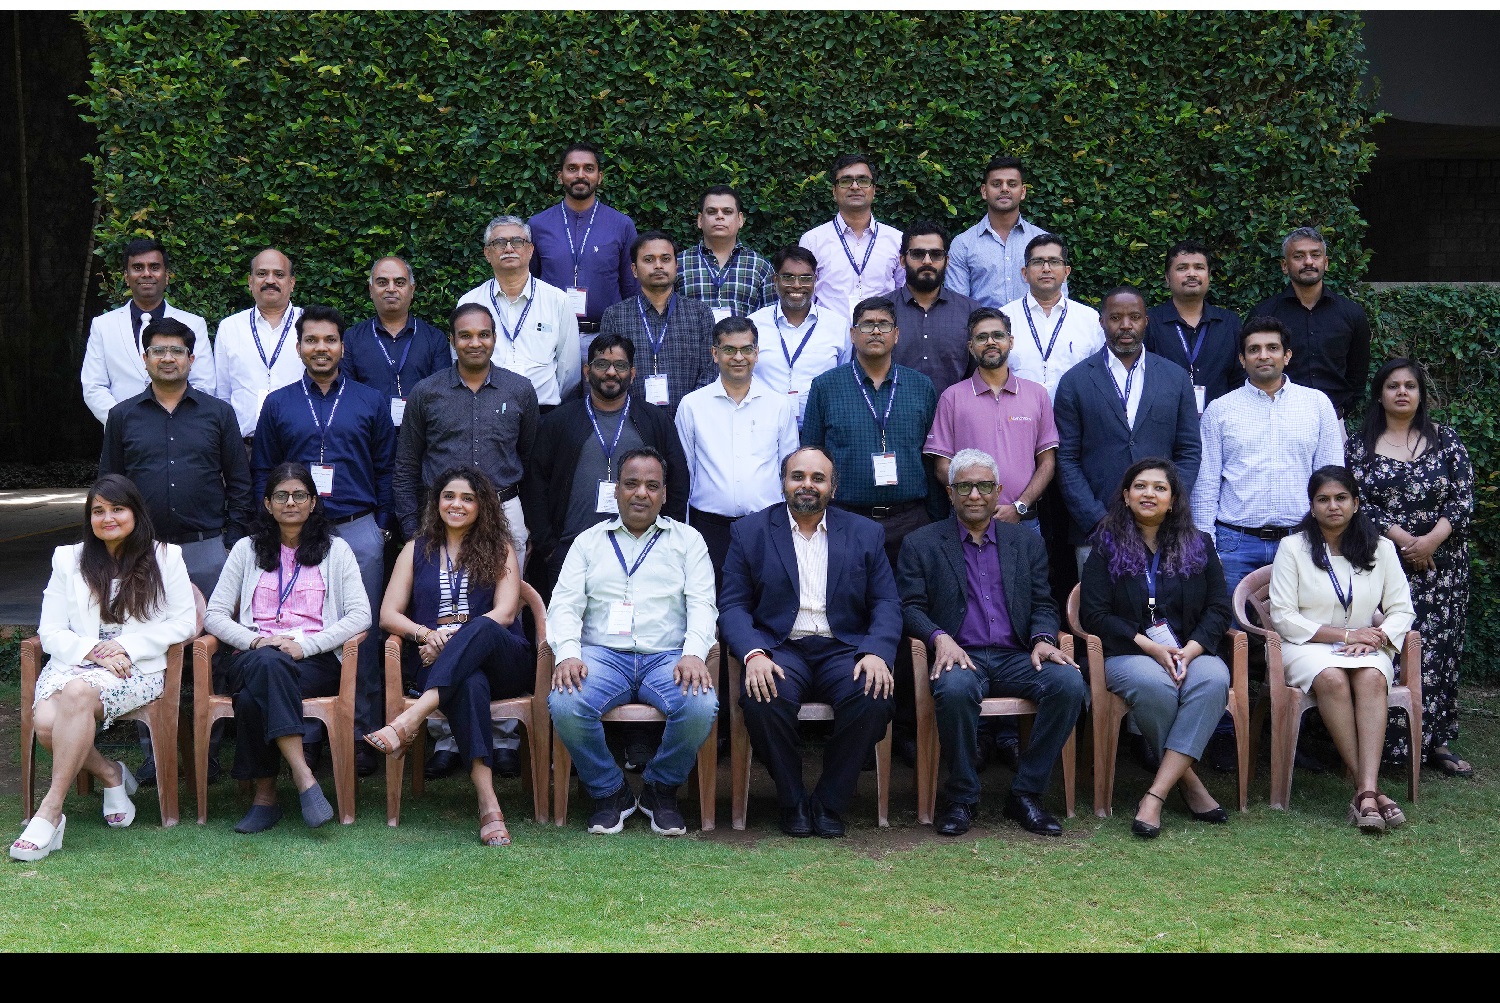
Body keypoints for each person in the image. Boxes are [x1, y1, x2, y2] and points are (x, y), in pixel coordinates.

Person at [898, 449, 1085, 837]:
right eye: (964, 486)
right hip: (959, 656)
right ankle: (962, 797)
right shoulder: (922, 543)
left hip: (1017, 655)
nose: (974, 495)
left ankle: (1026, 793)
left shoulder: (1025, 542)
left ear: (998, 491)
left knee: (1068, 683)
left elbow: (1043, 602)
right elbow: (909, 606)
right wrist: (938, 637)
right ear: (949, 493)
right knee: (955, 689)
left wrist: (1043, 639)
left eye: (984, 486)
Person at [99, 316, 253, 786]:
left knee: (218, 650)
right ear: (144, 358)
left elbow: (240, 481)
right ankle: (155, 753)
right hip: (142, 554)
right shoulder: (123, 416)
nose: (168, 358)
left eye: (176, 351)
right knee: (145, 648)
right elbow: (110, 486)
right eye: (158, 350)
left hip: (208, 549)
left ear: (191, 358)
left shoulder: (217, 413)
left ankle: (212, 751)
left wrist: (231, 539)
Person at [9, 475, 196, 861]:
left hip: (136, 667)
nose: (107, 518)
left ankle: (50, 811)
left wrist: (125, 646)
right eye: (98, 511)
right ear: (89, 518)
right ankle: (111, 774)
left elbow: (185, 623)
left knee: (77, 695)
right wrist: (94, 651)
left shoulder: (166, 557)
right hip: (76, 661)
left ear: (135, 513)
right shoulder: (68, 559)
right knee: (47, 724)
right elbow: (51, 629)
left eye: (117, 509)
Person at [720, 446, 901, 837]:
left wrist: (876, 651)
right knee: (763, 697)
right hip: (779, 648)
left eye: (818, 478)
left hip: (844, 648)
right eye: (798, 476)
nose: (807, 485)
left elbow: (887, 602)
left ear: (833, 488)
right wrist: (753, 653)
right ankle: (793, 801)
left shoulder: (865, 533)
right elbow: (733, 605)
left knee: (873, 695)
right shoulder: (749, 532)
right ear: (783, 483)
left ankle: (829, 802)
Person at [250, 304, 395, 773]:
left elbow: (388, 467)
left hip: (358, 528)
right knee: (301, 627)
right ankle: (308, 733)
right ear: (298, 348)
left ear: (342, 346)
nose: (321, 348)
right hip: (294, 532)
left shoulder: (370, 400)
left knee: (362, 634)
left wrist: (382, 526)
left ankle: (362, 733)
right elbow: (263, 468)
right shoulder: (279, 403)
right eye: (311, 340)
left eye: (329, 340)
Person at [547, 447, 719, 836]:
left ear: (664, 494)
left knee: (699, 705)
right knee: (566, 702)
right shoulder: (588, 542)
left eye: (652, 486)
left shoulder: (688, 541)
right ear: (616, 491)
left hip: (668, 657)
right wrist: (568, 654)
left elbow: (703, 604)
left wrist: (694, 654)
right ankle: (610, 792)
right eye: (631, 484)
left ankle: (660, 790)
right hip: (601, 656)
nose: (641, 493)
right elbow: (564, 605)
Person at [364, 468, 533, 846]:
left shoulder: (500, 547)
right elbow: (388, 614)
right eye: (449, 496)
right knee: (468, 682)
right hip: (437, 661)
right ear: (436, 502)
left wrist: (449, 640)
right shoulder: (415, 549)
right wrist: (426, 635)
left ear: (482, 505)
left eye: (467, 498)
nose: (457, 504)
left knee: (484, 626)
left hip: (502, 660)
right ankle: (488, 804)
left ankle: (411, 718)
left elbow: (506, 613)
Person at [204, 463, 371, 834]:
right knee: (267, 663)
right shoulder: (246, 550)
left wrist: (305, 646)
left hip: (314, 661)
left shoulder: (336, 550)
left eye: (299, 495)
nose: (290, 502)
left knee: (253, 697)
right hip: (253, 654)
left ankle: (265, 796)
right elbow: (214, 615)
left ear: (313, 502)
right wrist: (256, 640)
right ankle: (303, 774)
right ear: (267, 503)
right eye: (281, 495)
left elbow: (361, 615)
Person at [1079, 459, 1234, 838]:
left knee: (1214, 679)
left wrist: (1192, 650)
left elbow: (1218, 608)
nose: (1149, 493)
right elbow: (1094, 614)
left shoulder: (1200, 545)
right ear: (1126, 496)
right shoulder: (1105, 545)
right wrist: (1149, 646)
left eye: (1160, 488)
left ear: (1173, 499)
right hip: (1128, 653)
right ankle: (1189, 783)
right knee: (1155, 684)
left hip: (1190, 651)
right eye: (1140, 486)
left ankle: (1156, 792)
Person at [1268, 466, 1416, 833]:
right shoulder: (1293, 547)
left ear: (1356, 503)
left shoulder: (1381, 548)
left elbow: (1402, 610)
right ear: (1312, 506)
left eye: (1341, 498)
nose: (1333, 506)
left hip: (1365, 645)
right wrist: (1348, 636)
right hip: (1306, 645)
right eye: (1323, 499)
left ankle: (1364, 791)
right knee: (1331, 679)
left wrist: (1378, 638)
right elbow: (1283, 616)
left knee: (1371, 678)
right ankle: (1371, 791)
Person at [1346, 359, 1475, 776]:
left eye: (1410, 386)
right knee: (1389, 646)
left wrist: (1432, 540)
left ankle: (1435, 741)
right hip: (1385, 564)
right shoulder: (1360, 445)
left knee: (1438, 651)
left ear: (1420, 394)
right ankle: (1381, 745)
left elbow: (1463, 497)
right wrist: (1407, 542)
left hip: (1443, 567)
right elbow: (1358, 502)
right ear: (1379, 394)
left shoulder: (1445, 438)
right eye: (1392, 385)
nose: (1402, 392)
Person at [522, 333, 690, 601]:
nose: (611, 372)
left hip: (642, 551)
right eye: (601, 364)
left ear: (632, 374)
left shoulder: (655, 421)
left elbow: (677, 482)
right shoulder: (559, 421)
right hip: (570, 552)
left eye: (620, 365)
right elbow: (535, 483)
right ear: (587, 371)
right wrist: (549, 547)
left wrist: (665, 540)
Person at [1192, 317, 1346, 598]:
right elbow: (1206, 484)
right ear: (1242, 359)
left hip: (1302, 541)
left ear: (1287, 356)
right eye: (1254, 349)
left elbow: (1332, 480)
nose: (1263, 355)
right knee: (1234, 624)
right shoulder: (1220, 410)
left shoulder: (1317, 405)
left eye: (1272, 348)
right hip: (1234, 545)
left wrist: (1331, 538)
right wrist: (1207, 547)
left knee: (1303, 623)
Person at [1055, 287, 1200, 573]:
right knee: (1098, 602)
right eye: (1115, 317)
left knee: (1164, 602)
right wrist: (1097, 519)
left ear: (1146, 321)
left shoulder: (1175, 377)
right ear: (1102, 322)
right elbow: (1066, 459)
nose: (1125, 325)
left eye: (1134, 317)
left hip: (1163, 529)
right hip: (1097, 531)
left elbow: (1189, 450)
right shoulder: (1074, 381)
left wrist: (1166, 505)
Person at [802, 296, 938, 571]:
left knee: (910, 595)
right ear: (853, 334)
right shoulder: (825, 387)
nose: (876, 331)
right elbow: (811, 456)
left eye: (884, 325)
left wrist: (935, 520)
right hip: (845, 519)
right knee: (849, 596)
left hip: (910, 522)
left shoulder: (921, 386)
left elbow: (932, 458)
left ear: (896, 335)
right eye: (867, 325)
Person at [394, 302, 539, 557]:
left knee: (508, 584)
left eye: (483, 334)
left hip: (505, 510)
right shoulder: (426, 393)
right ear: (452, 340)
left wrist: (531, 522)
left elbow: (530, 460)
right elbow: (406, 466)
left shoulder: (520, 390)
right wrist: (411, 530)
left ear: (494, 338)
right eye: (465, 335)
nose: (475, 343)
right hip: (442, 514)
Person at [675, 316, 800, 584]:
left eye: (746, 349)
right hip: (708, 528)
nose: (739, 357)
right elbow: (685, 473)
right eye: (729, 349)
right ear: (715, 354)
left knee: (763, 599)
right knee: (712, 599)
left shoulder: (778, 405)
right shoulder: (692, 405)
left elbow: (790, 472)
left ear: (757, 353)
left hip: (765, 527)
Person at [925, 307, 1057, 535]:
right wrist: (975, 502)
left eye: (998, 335)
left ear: (1010, 341)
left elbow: (1047, 463)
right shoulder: (952, 397)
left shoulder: (1037, 395)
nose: (990, 342)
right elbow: (942, 466)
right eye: (982, 337)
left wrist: (1020, 506)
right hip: (967, 522)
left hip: (1023, 521)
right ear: (970, 346)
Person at [82, 237, 214, 424]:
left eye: (154, 267)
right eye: (138, 268)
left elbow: (204, 384)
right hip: (124, 433)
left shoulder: (194, 324)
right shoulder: (103, 325)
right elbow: (94, 386)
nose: (146, 274)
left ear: (166, 276)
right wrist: (126, 422)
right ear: (126, 277)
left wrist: (173, 420)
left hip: (181, 430)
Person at [455, 215, 581, 411]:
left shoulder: (557, 300)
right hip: (485, 410)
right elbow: (461, 360)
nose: (508, 248)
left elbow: (569, 369)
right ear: (487, 253)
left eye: (517, 241)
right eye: (499, 243)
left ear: (530, 250)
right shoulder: (470, 302)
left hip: (543, 411)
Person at [1246, 226, 1372, 418]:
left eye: (1315, 255)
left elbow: (1358, 372)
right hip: (1275, 418)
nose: (1308, 262)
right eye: (1298, 256)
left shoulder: (1352, 314)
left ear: (1326, 263)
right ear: (1285, 265)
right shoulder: (1264, 314)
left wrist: (1344, 408)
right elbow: (1250, 367)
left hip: (1333, 418)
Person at [598, 230, 717, 416]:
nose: (658, 265)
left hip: (690, 418)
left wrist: (690, 412)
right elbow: (608, 372)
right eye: (649, 260)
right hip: (631, 420)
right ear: (634, 270)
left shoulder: (700, 314)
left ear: (676, 266)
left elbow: (710, 371)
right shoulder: (615, 316)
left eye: (666, 259)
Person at [527, 141, 639, 337]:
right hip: (550, 335)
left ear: (599, 177)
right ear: (560, 176)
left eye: (589, 168)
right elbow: (528, 282)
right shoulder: (537, 225)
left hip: (607, 337)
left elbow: (631, 287)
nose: (580, 175)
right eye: (572, 168)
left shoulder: (621, 225)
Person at [343, 256, 452, 430]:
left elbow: (441, 397)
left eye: (399, 283)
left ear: (412, 289)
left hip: (421, 437)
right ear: (371, 290)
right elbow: (346, 396)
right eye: (382, 282)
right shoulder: (351, 339)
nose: (391, 289)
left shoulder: (434, 339)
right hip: (366, 436)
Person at [746, 246, 848, 428]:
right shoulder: (754, 325)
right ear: (775, 280)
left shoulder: (838, 326)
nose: (797, 285)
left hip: (822, 428)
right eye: (788, 277)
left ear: (815, 280)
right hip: (764, 426)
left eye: (805, 278)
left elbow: (844, 378)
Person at [799, 153, 904, 326]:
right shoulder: (812, 241)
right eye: (846, 181)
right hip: (827, 335)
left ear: (874, 190)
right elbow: (805, 297)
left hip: (880, 335)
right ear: (834, 191)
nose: (855, 187)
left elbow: (903, 295)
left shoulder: (897, 240)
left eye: (863, 180)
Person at [213, 247, 304, 441]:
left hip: (299, 443)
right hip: (245, 446)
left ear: (291, 283)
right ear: (250, 282)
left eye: (279, 274)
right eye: (262, 274)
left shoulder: (309, 324)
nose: (270, 280)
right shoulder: (230, 327)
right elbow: (222, 394)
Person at [1144, 239, 1243, 412]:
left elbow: (1240, 379)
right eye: (1182, 268)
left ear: (1208, 275)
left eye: (1199, 267)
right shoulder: (1149, 322)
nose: (1191, 274)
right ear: (1167, 278)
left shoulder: (1229, 323)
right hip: (1165, 421)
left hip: (1221, 421)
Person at [1001, 234, 1103, 400]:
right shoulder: (1004, 318)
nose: (1046, 268)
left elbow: (1101, 373)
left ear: (1066, 272)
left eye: (1054, 261)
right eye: (1038, 262)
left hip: (1075, 412)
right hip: (1018, 411)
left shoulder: (1089, 318)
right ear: (1024, 273)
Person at [946, 155, 1053, 310]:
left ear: (1023, 191)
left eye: (1012, 184)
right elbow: (958, 307)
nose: (1004, 189)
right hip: (982, 326)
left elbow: (1057, 300)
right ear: (984, 191)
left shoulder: (1044, 242)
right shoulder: (963, 244)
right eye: (996, 184)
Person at [890, 220, 983, 393]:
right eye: (917, 254)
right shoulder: (884, 310)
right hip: (894, 409)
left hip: (955, 409)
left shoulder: (970, 311)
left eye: (936, 254)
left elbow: (979, 374)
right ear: (902, 260)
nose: (927, 261)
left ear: (947, 261)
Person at [676, 185, 775, 321]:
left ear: (740, 220)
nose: (719, 216)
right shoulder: (678, 264)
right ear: (700, 220)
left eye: (727, 212)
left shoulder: (760, 267)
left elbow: (772, 321)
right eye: (712, 212)